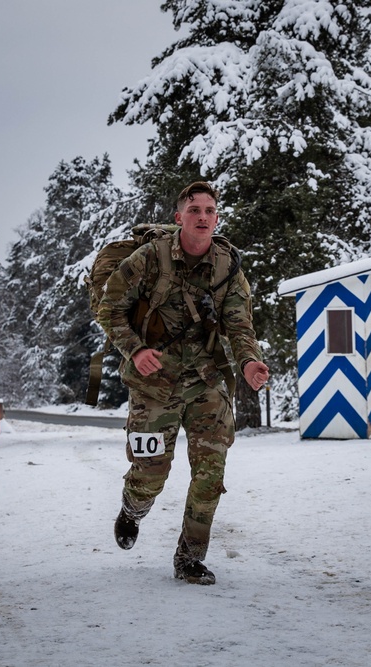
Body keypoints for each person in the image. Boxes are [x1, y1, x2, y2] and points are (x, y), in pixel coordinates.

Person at [97, 181, 269, 585]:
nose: (203, 216)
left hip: (206, 381)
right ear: (179, 218)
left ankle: (189, 558)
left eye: (210, 210)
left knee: (211, 474)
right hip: (154, 382)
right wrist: (135, 350)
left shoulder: (228, 266)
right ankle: (132, 509)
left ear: (217, 217)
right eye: (194, 209)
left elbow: (239, 324)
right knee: (150, 474)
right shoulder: (149, 259)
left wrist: (248, 362)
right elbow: (110, 309)